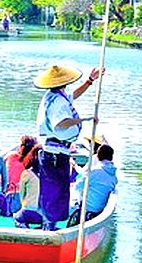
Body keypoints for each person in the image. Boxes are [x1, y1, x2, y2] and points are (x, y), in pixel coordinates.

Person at [34, 64, 103, 229]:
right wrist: (85, 120)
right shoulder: (57, 101)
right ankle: (49, 225)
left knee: (53, 189)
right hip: (55, 154)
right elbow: (62, 124)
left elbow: (73, 96)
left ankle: (48, 223)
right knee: (56, 190)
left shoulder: (54, 95)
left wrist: (90, 81)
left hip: (54, 152)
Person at [69, 144, 117, 225]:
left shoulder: (95, 171)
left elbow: (77, 187)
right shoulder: (113, 175)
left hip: (87, 210)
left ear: (98, 156)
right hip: (100, 209)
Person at [13, 143, 44, 228]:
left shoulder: (27, 173)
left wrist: (24, 205)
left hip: (28, 211)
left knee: (16, 217)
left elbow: (21, 194)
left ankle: (24, 227)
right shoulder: (51, 175)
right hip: (44, 214)